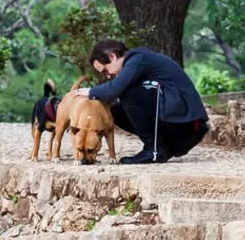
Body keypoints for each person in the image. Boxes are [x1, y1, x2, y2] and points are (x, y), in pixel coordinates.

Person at [68, 39, 210, 164]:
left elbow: (115, 88)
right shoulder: (137, 61)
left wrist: (90, 92)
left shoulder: (137, 58)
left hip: (188, 124)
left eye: (105, 70)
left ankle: (153, 150)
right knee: (116, 111)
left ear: (112, 56)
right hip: (177, 124)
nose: (108, 76)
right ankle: (161, 147)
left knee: (128, 92)